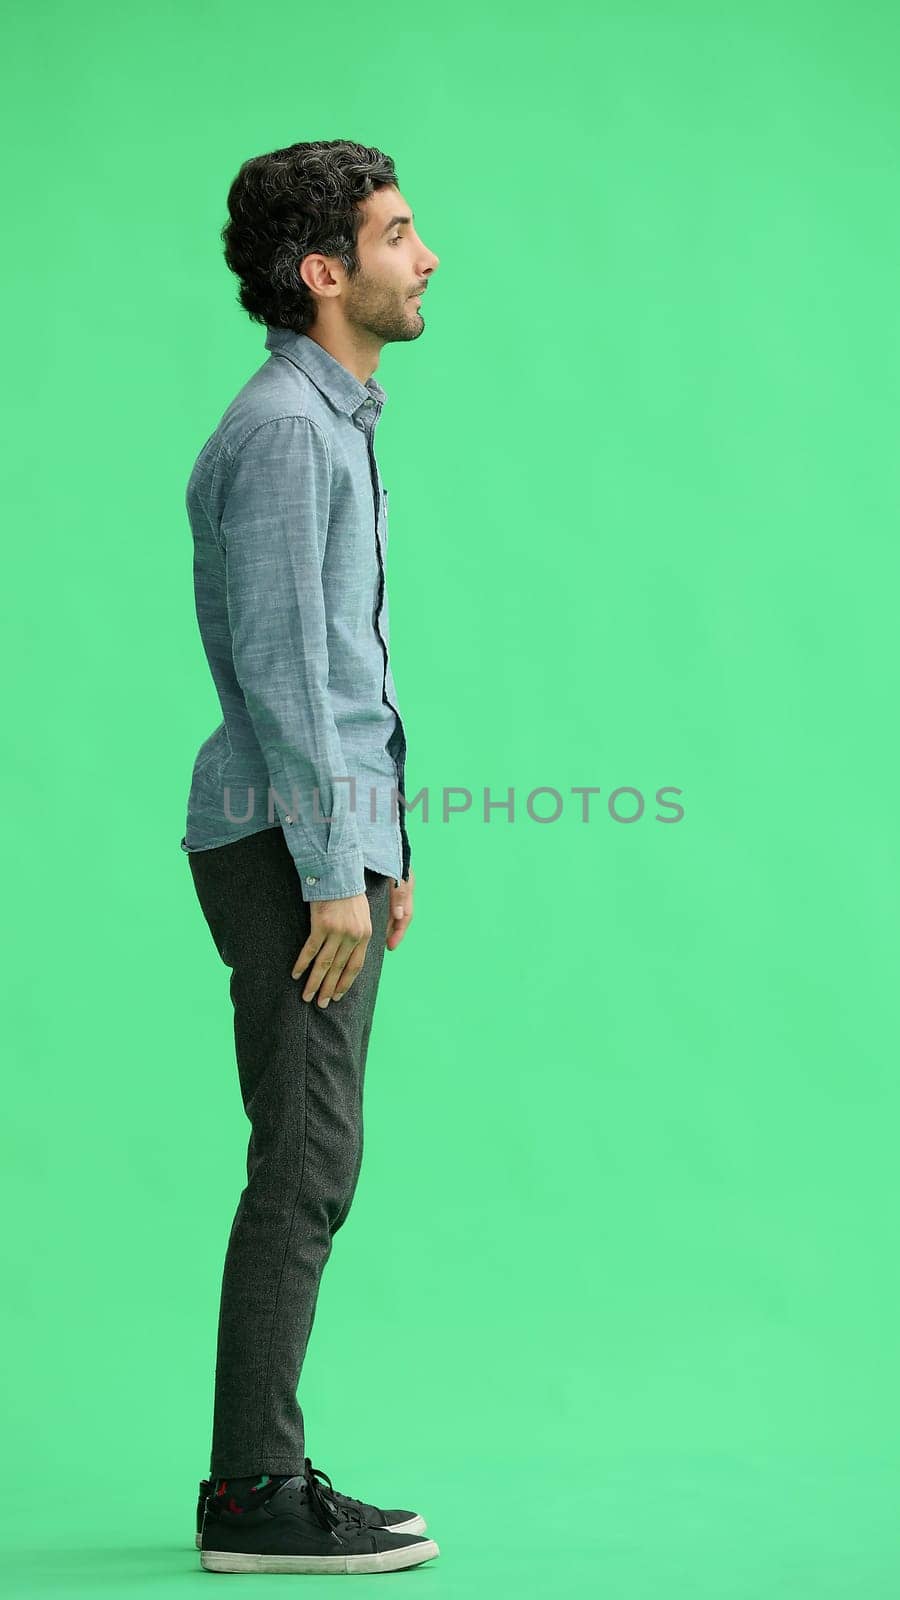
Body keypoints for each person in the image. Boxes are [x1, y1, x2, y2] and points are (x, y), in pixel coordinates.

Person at [179, 139, 441, 1576]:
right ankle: (253, 1499)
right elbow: (286, 673)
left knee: (313, 1159)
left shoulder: (336, 419)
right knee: (305, 1164)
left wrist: (383, 846)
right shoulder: (287, 429)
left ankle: (259, 1480)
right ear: (325, 272)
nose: (430, 256)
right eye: (403, 234)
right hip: (288, 849)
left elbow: (347, 665)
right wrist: (337, 867)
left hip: (323, 841)